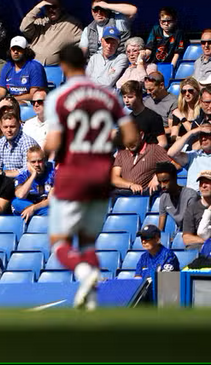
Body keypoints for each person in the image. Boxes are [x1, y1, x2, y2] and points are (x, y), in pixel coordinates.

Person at [45, 45, 136, 309]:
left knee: (58, 241)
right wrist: (107, 139)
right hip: (100, 176)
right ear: (84, 63)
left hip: (72, 175)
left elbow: (54, 141)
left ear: (62, 66)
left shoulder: (60, 97)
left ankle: (86, 274)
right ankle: (93, 305)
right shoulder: (108, 96)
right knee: (87, 242)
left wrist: (47, 151)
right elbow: (130, 138)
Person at [111, 119, 176, 195]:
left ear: (141, 135)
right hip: (123, 195)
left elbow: (173, 165)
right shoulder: (121, 154)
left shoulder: (154, 149)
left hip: (145, 196)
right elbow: (114, 178)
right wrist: (130, 185)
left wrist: (157, 178)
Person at [19, 0, 83, 66]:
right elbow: (24, 28)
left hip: (54, 70)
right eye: (47, 7)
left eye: (54, 7)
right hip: (31, 66)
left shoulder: (72, 24)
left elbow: (82, 45)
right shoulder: (40, 22)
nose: (51, 10)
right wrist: (37, 8)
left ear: (61, 7)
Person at [0, 36, 47, 104]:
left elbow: (34, 95)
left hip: (31, 103)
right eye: (13, 49)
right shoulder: (7, 66)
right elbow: (1, 92)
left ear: (26, 50)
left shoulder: (35, 66)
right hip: (11, 101)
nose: (15, 52)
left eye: (19, 49)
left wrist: (11, 99)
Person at [0, 103, 38, 175]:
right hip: (8, 181)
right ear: (1, 128)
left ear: (19, 126)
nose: (9, 130)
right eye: (5, 127)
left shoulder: (27, 143)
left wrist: (3, 173)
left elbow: (27, 171)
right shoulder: (1, 143)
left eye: (12, 126)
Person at [13, 145, 54, 219]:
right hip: (37, 209)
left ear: (44, 160)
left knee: (52, 209)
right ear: (28, 163)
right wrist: (33, 175)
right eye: (33, 162)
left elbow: (51, 200)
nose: (37, 165)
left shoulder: (53, 174)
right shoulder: (22, 176)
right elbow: (20, 195)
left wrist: (33, 208)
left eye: (40, 161)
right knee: (16, 202)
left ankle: (33, 215)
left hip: (44, 207)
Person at [156, 161, 198, 234]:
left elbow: (193, 224)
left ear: (175, 178)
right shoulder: (163, 198)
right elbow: (160, 227)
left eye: (165, 181)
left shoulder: (191, 196)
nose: (162, 186)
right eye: (160, 182)